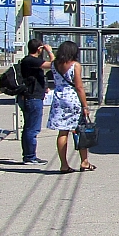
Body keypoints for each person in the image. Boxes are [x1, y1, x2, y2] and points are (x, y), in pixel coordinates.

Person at [46, 41, 95, 173]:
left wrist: (49, 51)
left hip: (59, 99)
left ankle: (64, 165)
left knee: (62, 132)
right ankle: (84, 162)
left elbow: (51, 61)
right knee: (80, 130)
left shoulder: (54, 65)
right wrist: (85, 106)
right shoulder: (75, 65)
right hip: (72, 99)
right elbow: (79, 87)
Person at [18, 39, 54, 164]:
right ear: (39, 49)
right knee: (32, 129)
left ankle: (28, 155)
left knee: (29, 128)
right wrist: (50, 51)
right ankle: (30, 157)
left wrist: (44, 87)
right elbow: (53, 65)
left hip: (31, 97)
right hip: (32, 99)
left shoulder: (29, 61)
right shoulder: (30, 60)